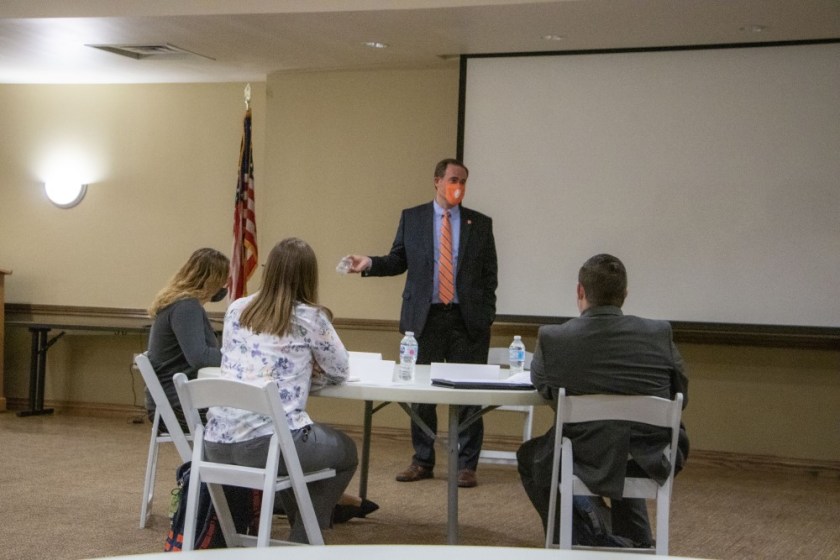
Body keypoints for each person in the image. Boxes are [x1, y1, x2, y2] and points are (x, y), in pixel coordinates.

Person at [516, 254, 689, 548]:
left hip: (585, 454)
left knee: (533, 458)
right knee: (624, 440)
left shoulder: (555, 338)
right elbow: (679, 395)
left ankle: (598, 542)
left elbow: (545, 390)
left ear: (580, 291)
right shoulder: (659, 333)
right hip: (650, 455)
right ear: (624, 295)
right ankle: (637, 540)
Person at [202, 237, 367, 543]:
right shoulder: (310, 316)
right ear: (309, 275)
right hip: (268, 445)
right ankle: (303, 539)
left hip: (216, 444)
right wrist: (311, 369)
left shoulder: (237, 308)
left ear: (269, 270)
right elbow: (340, 369)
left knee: (298, 456)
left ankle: (299, 535)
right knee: (344, 452)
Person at [346, 158, 498, 488]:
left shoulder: (480, 224)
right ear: (437, 181)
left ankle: (466, 465)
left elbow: (489, 278)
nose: (458, 186)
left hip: (466, 321)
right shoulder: (413, 218)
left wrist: (485, 316)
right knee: (420, 393)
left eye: (463, 181)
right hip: (424, 319)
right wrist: (369, 263)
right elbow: (398, 260)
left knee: (470, 394)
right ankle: (422, 459)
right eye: (453, 179)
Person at [146, 247, 229, 433]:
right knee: (248, 421)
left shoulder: (179, 303)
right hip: (176, 408)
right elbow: (200, 357)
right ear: (212, 280)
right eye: (224, 279)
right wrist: (239, 358)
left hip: (169, 404)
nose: (225, 285)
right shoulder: (186, 307)